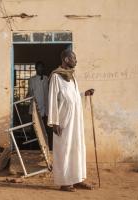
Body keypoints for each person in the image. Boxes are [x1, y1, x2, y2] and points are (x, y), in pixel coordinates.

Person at [48, 49, 94, 192]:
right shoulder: (56, 76)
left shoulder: (72, 77)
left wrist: (83, 94)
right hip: (63, 121)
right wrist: (54, 121)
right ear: (66, 59)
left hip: (76, 121)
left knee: (77, 149)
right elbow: (52, 100)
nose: (76, 61)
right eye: (74, 58)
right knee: (64, 151)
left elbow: (73, 97)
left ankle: (77, 179)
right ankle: (65, 182)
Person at [27, 61, 52, 149]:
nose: (40, 69)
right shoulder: (31, 80)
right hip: (34, 108)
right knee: (34, 130)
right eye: (39, 67)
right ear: (36, 68)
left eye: (42, 67)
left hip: (45, 109)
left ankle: (45, 147)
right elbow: (29, 93)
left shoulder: (46, 78)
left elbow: (48, 92)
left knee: (44, 129)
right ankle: (33, 148)